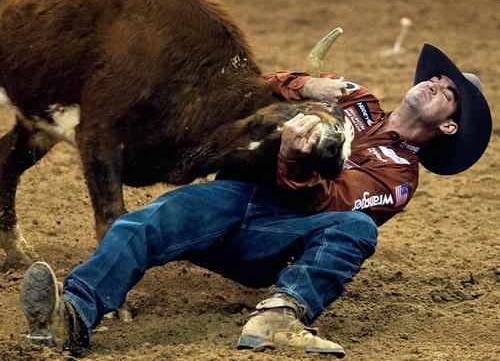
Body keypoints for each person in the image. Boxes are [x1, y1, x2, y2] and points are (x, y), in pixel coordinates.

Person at [19, 44, 491, 357]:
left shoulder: (398, 175)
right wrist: (305, 86)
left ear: (448, 126)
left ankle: (283, 316)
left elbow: (330, 206)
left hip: (274, 237)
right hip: (236, 195)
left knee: (356, 227)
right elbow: (254, 88)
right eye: (436, 78)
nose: (435, 83)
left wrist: (296, 160)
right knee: (142, 223)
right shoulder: (356, 100)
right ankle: (71, 316)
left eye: (449, 93)